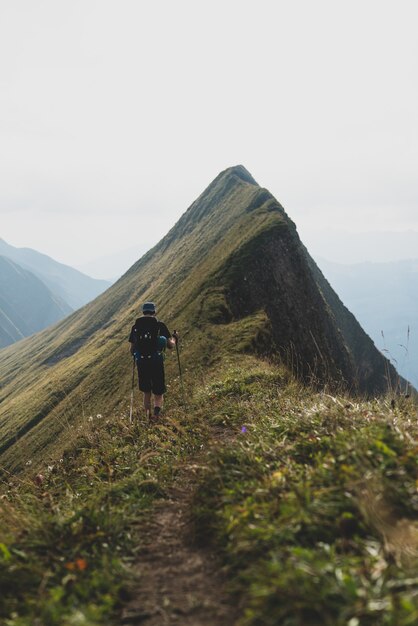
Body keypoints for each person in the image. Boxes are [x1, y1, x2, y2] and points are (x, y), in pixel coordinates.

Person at [128, 302, 177, 421]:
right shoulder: (159, 325)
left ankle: (147, 416)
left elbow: (132, 349)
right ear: (154, 312)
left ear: (143, 312)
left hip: (142, 363)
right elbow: (170, 345)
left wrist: (138, 354)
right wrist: (175, 338)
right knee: (158, 391)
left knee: (146, 392)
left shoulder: (135, 327)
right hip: (156, 362)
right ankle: (156, 415)